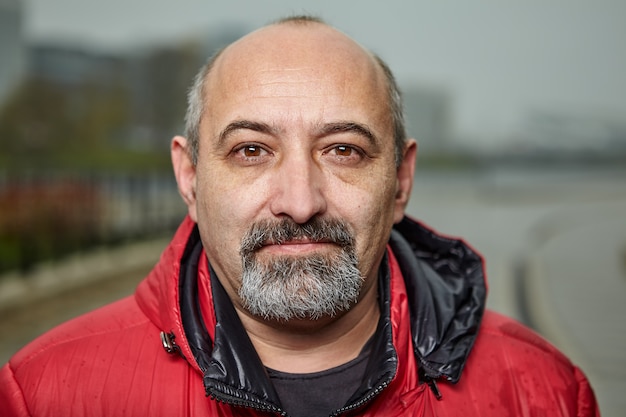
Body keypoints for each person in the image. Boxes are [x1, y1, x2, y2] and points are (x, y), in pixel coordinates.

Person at [0, 16, 599, 417]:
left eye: (343, 151)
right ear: (189, 176)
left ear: (400, 181)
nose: (300, 200)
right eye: (251, 151)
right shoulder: (46, 395)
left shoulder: (542, 392)